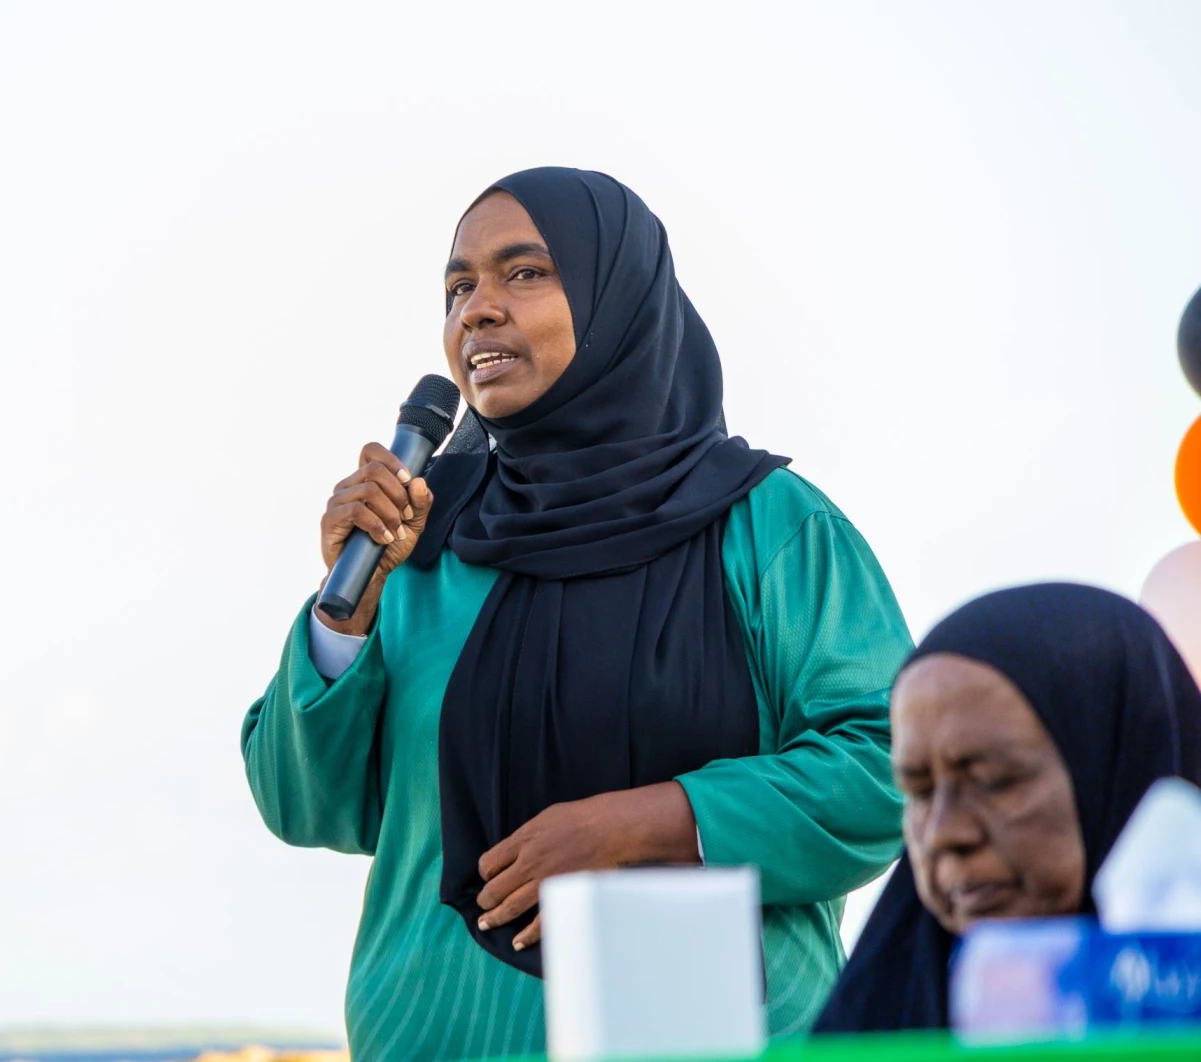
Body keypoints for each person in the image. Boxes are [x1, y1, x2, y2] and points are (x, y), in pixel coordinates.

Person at [243, 166, 912, 1060]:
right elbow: (301, 805)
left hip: (713, 1041)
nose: (476, 310)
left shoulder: (767, 526)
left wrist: (652, 824)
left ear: (616, 299)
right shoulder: (421, 542)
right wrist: (345, 616)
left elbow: (890, 769)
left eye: (524, 272)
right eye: (457, 287)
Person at [813, 582, 1201, 1034]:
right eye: (918, 791)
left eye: (993, 781)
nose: (942, 834)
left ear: (1119, 764)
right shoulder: (874, 1028)